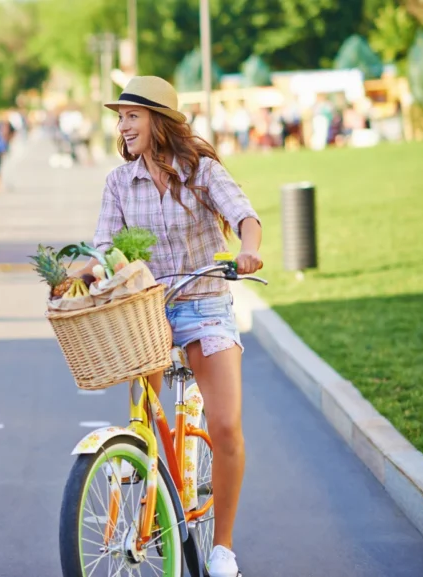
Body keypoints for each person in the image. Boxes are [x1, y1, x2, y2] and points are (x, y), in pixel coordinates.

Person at [83, 76, 263, 577]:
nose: (122, 124)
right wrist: (90, 267)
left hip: (206, 304)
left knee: (225, 426)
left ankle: (222, 547)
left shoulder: (202, 173)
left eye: (132, 115)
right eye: (120, 117)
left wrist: (248, 250)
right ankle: (136, 478)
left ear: (159, 121)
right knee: (143, 424)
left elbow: (245, 216)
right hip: (148, 311)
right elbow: (103, 242)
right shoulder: (119, 183)